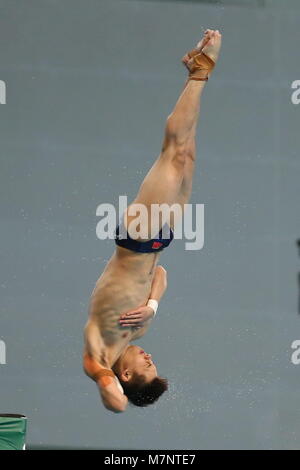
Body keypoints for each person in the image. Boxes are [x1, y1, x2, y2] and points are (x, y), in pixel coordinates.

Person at [83, 29, 222, 412]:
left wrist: (108, 382)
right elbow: (159, 276)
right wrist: (154, 305)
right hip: (158, 244)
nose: (149, 358)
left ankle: (200, 71)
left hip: (136, 237)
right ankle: (195, 72)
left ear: (124, 376)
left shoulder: (100, 352)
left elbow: (117, 405)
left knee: (173, 154)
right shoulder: (140, 326)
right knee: (187, 155)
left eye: (147, 366)